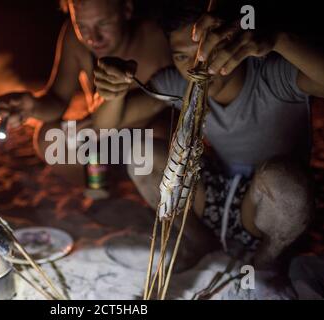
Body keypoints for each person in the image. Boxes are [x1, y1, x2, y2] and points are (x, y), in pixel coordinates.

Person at [94, 0, 324, 268]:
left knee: (284, 181)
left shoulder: (272, 75)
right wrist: (113, 91)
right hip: (215, 195)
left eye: (208, 51)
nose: (196, 66)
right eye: (181, 56)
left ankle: (266, 264)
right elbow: (105, 125)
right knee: (142, 154)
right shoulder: (181, 84)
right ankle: (200, 242)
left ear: (232, 43)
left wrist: (278, 40)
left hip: (269, 209)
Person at [0, 0, 172, 181]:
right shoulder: (73, 37)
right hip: (100, 138)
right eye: (82, 27)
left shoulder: (155, 37)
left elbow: (172, 96)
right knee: (49, 138)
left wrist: (101, 121)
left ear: (126, 9)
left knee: (162, 132)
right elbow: (58, 99)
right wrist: (32, 107)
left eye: (103, 24)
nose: (93, 38)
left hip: (146, 135)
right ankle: (103, 187)